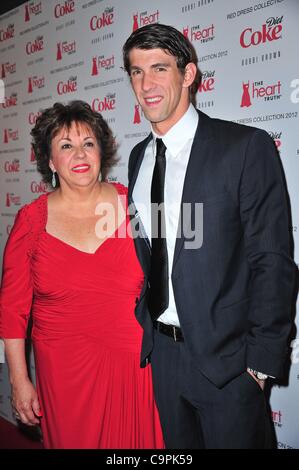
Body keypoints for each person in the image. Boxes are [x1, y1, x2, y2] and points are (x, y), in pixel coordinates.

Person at [122, 24, 296, 449]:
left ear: (188, 74)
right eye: (135, 72)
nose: (146, 84)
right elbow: (157, 251)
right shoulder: (138, 158)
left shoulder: (244, 147)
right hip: (163, 356)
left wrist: (260, 364)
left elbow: (272, 259)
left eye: (159, 68)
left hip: (230, 364)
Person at [0, 100, 164, 449]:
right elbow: (13, 310)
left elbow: (182, 269)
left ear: (101, 152)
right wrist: (18, 379)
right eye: (66, 146)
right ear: (49, 161)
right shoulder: (31, 222)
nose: (80, 154)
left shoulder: (134, 206)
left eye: (88, 143)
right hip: (63, 374)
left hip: (132, 366)